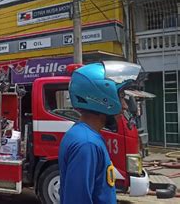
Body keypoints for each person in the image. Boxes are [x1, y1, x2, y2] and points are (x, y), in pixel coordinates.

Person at [59, 61, 141, 204]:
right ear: (102, 97)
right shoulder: (87, 144)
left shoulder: (86, 136)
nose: (125, 106)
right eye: (121, 97)